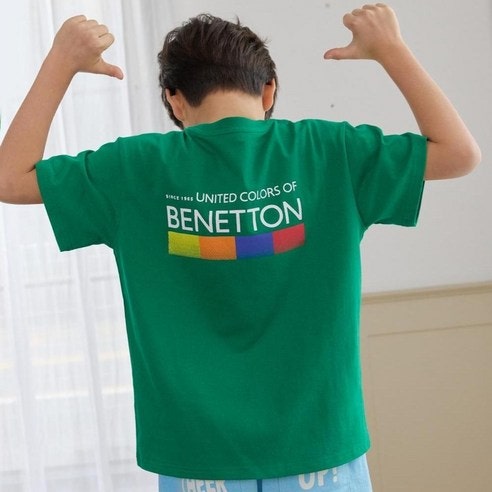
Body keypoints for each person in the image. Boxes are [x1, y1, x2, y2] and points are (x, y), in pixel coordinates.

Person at [0, 4, 481, 492]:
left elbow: (9, 179)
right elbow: (460, 153)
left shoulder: (134, 169)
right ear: (268, 90)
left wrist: (61, 61)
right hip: (320, 448)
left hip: (195, 457)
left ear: (174, 100)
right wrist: (391, 49)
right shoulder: (330, 152)